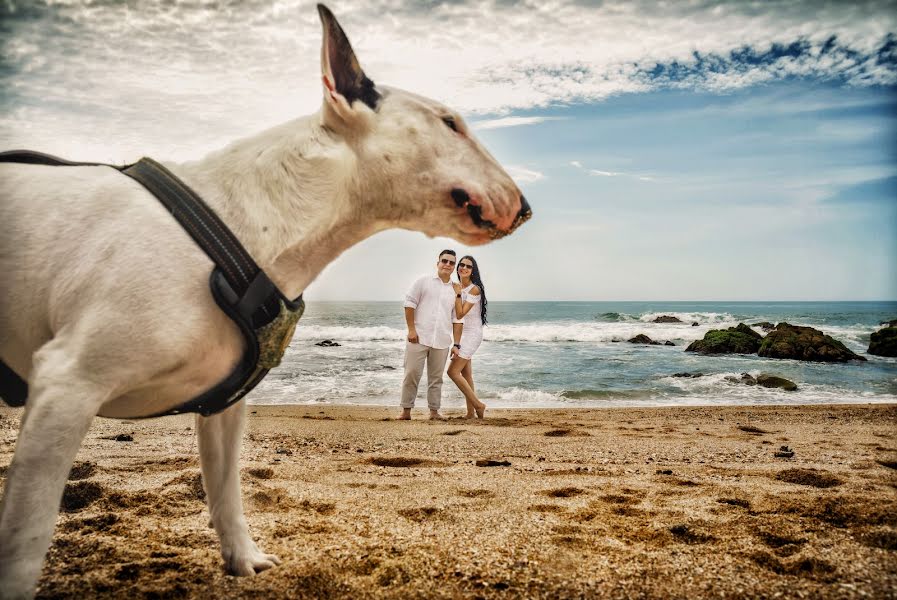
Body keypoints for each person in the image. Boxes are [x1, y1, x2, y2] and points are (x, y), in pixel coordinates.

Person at [398, 249, 462, 420]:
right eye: (444, 261)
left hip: (441, 340)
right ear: (438, 263)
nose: (447, 264)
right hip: (419, 336)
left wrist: (456, 344)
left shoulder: (456, 290)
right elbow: (409, 303)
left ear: (454, 266)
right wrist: (411, 329)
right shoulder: (423, 281)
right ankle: (406, 411)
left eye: (451, 262)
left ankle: (434, 412)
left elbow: (457, 319)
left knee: (436, 379)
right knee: (411, 373)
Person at [447, 255, 488, 419]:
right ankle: (471, 413)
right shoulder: (457, 287)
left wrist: (457, 295)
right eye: (461, 265)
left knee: (452, 372)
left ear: (473, 271)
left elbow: (460, 313)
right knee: (466, 375)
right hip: (461, 334)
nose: (463, 267)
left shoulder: (474, 289)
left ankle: (479, 405)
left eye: (468, 266)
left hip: (472, 335)